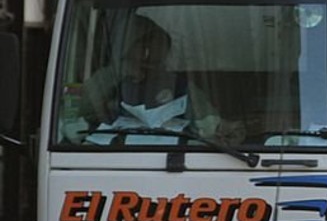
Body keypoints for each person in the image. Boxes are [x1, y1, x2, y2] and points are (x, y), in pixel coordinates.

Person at [63, 14, 238, 145]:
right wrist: (117, 74)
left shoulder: (179, 85)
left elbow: (209, 122)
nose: (153, 54)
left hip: (172, 156)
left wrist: (223, 128)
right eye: (145, 46)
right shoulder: (108, 80)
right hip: (115, 157)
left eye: (160, 46)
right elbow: (73, 114)